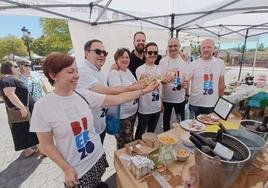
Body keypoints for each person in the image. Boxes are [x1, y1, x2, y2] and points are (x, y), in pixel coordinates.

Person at [30, 52, 158, 188]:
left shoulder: (82, 94)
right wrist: (66, 169)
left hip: (97, 156)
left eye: (77, 71)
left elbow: (118, 99)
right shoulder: (42, 106)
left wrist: (145, 90)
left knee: (99, 183)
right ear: (53, 75)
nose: (77, 75)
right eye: (70, 71)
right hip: (77, 170)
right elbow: (45, 146)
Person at [77, 39, 146, 144]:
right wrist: (140, 88)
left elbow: (131, 85)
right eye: (97, 51)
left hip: (103, 123)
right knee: (123, 145)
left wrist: (140, 82)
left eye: (104, 53)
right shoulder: (83, 70)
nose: (102, 55)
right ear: (86, 53)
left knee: (127, 142)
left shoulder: (102, 70)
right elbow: (110, 91)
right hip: (93, 128)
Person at [0, 61, 39, 157]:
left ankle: (29, 150)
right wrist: (22, 107)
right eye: (15, 66)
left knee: (24, 129)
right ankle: (41, 149)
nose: (18, 68)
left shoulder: (9, 79)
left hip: (22, 109)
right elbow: (10, 94)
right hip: (21, 110)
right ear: (8, 68)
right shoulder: (8, 79)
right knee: (29, 128)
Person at [107, 48, 139, 149]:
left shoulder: (127, 70)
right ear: (116, 59)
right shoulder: (114, 73)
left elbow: (135, 85)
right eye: (122, 57)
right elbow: (118, 92)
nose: (125, 59)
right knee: (123, 144)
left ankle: (129, 161)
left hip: (132, 114)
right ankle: (122, 163)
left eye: (127, 57)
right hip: (122, 116)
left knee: (129, 139)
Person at [185, 39, 225, 116]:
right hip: (195, 104)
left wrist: (221, 99)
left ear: (213, 49)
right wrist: (186, 94)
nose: (206, 49)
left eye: (209, 47)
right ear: (200, 49)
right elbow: (186, 81)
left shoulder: (220, 63)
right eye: (203, 47)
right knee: (193, 126)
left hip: (212, 104)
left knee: (210, 127)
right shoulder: (193, 64)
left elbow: (221, 83)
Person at [159, 38, 189, 132]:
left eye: (175, 46)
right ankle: (166, 139)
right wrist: (165, 80)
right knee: (166, 122)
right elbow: (160, 81)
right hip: (166, 97)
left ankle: (181, 138)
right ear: (167, 47)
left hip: (180, 98)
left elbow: (187, 79)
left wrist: (187, 93)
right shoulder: (163, 61)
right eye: (170, 46)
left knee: (181, 122)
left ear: (179, 47)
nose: (173, 48)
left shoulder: (184, 61)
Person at [134, 42, 163, 139]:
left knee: (151, 132)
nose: (153, 55)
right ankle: (137, 152)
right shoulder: (140, 69)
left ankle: (148, 150)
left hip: (157, 107)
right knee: (140, 133)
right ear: (145, 54)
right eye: (150, 52)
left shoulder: (160, 68)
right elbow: (143, 81)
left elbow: (160, 88)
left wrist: (161, 103)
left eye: (155, 53)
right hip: (144, 108)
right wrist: (144, 78)